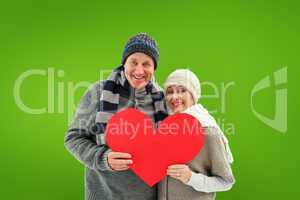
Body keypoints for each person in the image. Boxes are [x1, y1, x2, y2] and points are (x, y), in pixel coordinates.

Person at [64, 33, 168, 200]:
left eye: (146, 64)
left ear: (154, 68)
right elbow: (73, 138)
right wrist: (103, 158)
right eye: (133, 62)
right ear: (124, 63)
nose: (139, 70)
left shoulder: (162, 100)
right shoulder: (98, 92)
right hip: (104, 194)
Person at [158, 69, 235, 200]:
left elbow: (226, 182)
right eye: (170, 91)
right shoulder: (163, 129)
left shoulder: (208, 131)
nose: (175, 97)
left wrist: (190, 178)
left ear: (193, 95)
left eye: (182, 90)